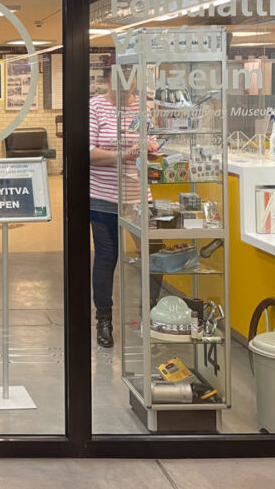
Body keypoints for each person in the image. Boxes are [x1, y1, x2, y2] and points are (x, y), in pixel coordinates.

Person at [89, 56, 157, 348]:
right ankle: (104, 319)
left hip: (139, 196)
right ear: (108, 79)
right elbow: (88, 152)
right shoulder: (95, 106)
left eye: (132, 80)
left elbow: (151, 143)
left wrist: (150, 150)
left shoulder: (144, 106)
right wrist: (125, 155)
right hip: (103, 197)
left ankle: (151, 316)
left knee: (153, 257)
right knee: (107, 257)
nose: (128, 87)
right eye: (121, 80)